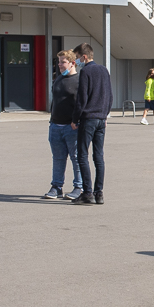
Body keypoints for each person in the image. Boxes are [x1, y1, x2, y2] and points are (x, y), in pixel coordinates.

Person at [71, 43, 112, 205]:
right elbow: (109, 95)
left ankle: (87, 192)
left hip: (88, 118)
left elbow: (82, 98)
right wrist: (105, 114)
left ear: (84, 57)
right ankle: (99, 192)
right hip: (101, 118)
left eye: (77, 58)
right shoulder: (104, 70)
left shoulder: (86, 71)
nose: (77, 61)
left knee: (82, 155)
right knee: (98, 156)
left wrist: (75, 119)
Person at [44, 50, 83, 200]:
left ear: (72, 63)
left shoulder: (79, 81)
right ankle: (57, 187)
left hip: (72, 127)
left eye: (63, 62)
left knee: (76, 158)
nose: (59, 65)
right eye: (58, 62)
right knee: (58, 158)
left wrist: (77, 121)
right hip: (55, 125)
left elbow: (81, 104)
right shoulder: (58, 79)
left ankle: (79, 187)